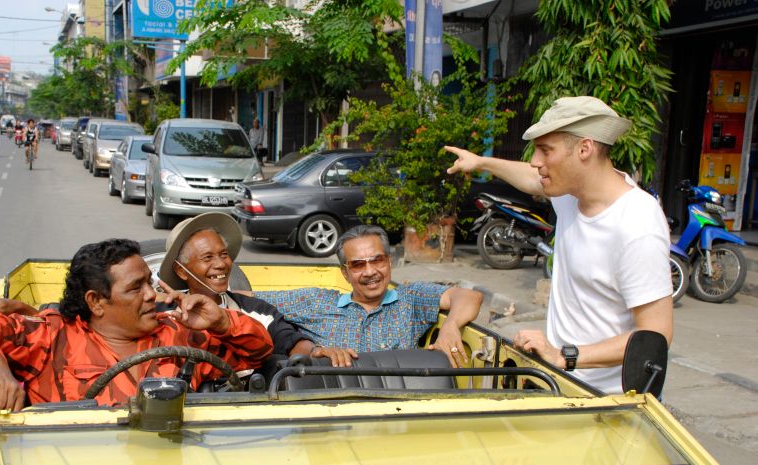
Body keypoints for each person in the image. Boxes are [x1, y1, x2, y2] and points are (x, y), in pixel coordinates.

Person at [444, 96, 672, 393]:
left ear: (584, 149)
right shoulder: (569, 192)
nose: (536, 162)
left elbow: (656, 334)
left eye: (545, 150)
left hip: (608, 401)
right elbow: (530, 178)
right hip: (560, 382)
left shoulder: (636, 224)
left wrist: (565, 356)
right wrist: (481, 162)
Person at [0, 238, 273, 411]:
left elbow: (258, 354)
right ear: (96, 302)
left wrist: (222, 322)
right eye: (135, 288)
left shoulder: (179, 333)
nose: (151, 294)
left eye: (149, 282)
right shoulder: (52, 334)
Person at [253, 225, 484, 368]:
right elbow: (249, 300)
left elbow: (469, 297)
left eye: (377, 260)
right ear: (345, 273)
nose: (370, 272)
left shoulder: (410, 299)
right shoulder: (318, 302)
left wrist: (450, 326)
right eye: (357, 265)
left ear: (389, 262)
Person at [157, 212, 355, 367]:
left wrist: (315, 351)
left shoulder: (256, 309)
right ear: (181, 271)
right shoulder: (164, 313)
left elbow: (290, 341)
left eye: (224, 254)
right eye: (207, 258)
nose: (221, 264)